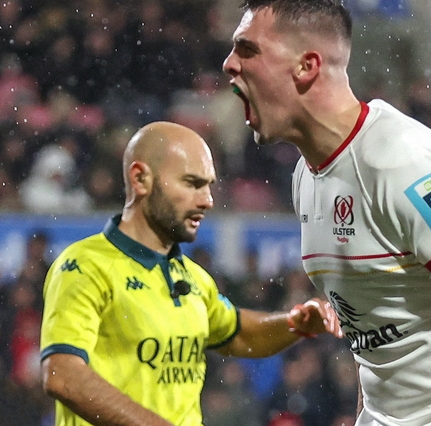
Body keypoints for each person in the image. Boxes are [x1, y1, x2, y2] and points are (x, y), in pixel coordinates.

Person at [222, 0, 431, 426]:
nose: (229, 64)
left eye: (247, 50)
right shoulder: (307, 175)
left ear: (306, 65)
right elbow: (373, 334)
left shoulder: (402, 160)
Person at [39, 121, 342, 426]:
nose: (207, 200)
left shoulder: (193, 277)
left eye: (209, 185)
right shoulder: (83, 266)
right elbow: (63, 375)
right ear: (141, 178)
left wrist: (295, 324)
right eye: (192, 183)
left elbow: (238, 332)